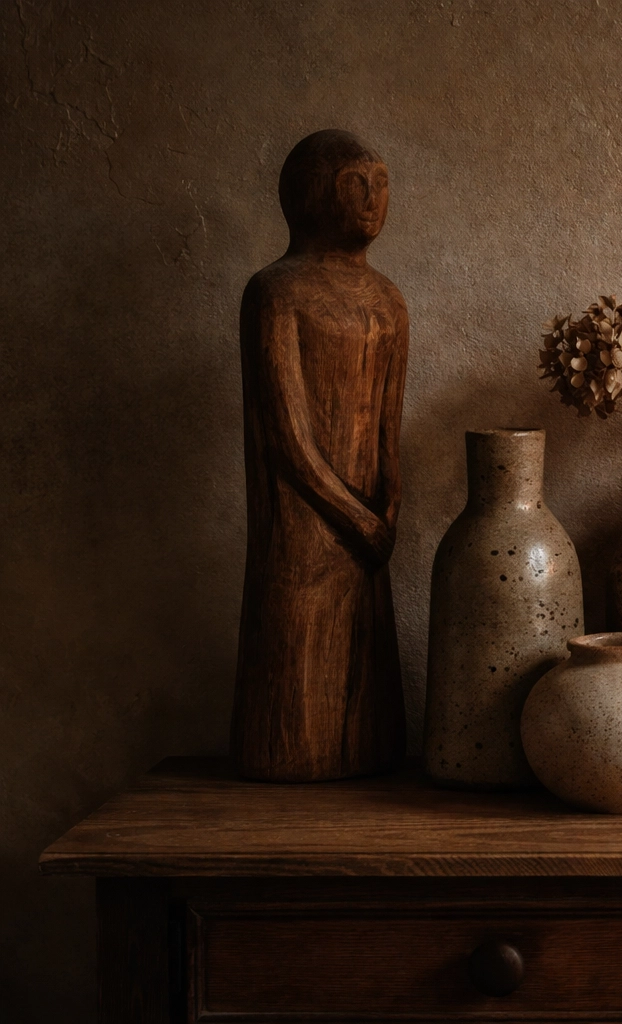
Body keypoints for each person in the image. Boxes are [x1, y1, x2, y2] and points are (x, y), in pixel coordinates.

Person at [231, 129, 408, 781]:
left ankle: (368, 748)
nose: (371, 200)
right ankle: (288, 756)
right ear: (310, 194)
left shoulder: (388, 300)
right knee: (299, 641)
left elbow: (389, 424)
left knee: (365, 647)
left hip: (368, 522)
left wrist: (388, 501)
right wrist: (352, 514)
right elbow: (285, 432)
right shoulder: (276, 293)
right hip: (304, 517)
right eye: (354, 185)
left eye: (380, 185)